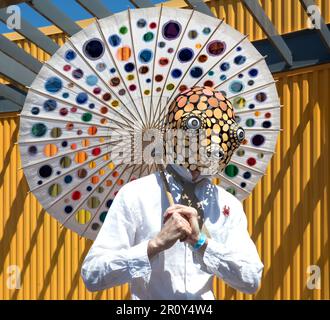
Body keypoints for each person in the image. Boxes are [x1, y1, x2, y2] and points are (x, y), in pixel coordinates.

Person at [81, 87, 264, 299]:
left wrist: (202, 243)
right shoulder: (135, 195)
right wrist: (154, 245)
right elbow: (93, 274)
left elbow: (251, 280)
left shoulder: (226, 204)